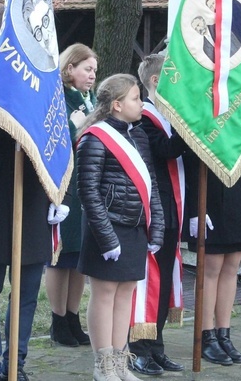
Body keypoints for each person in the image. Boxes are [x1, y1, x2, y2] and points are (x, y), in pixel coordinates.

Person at [0, 8, 65, 381]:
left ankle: (15, 363)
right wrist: (11, 117)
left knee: (27, 289)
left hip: (34, 192)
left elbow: (56, 127)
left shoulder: (43, 75)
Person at [75, 74, 164, 381]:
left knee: (126, 292)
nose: (141, 103)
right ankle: (103, 365)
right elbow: (88, 190)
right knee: (104, 293)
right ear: (117, 105)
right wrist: (106, 236)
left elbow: (150, 184)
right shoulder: (95, 137)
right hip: (107, 229)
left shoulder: (138, 135)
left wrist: (158, 228)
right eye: (136, 98)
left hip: (135, 227)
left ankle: (120, 361)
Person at [128, 54, 187, 376]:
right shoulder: (145, 118)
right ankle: (140, 348)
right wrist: (189, 126)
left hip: (174, 209)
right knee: (149, 281)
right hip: (154, 211)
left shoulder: (167, 115)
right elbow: (164, 151)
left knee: (164, 280)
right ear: (156, 81)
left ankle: (158, 345)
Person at [184, 136, 241, 365]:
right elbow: (191, 162)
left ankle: (224, 333)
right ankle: (206, 335)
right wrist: (194, 209)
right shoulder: (205, 112)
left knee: (232, 267)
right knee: (211, 268)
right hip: (211, 199)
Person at [46, 43, 97, 347]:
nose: (92, 75)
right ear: (69, 70)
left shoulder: (92, 101)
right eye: (86, 69)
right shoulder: (58, 99)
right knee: (60, 256)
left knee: (80, 256)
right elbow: (53, 137)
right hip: (64, 184)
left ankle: (73, 317)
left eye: (94, 70)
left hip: (87, 184)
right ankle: (57, 320)